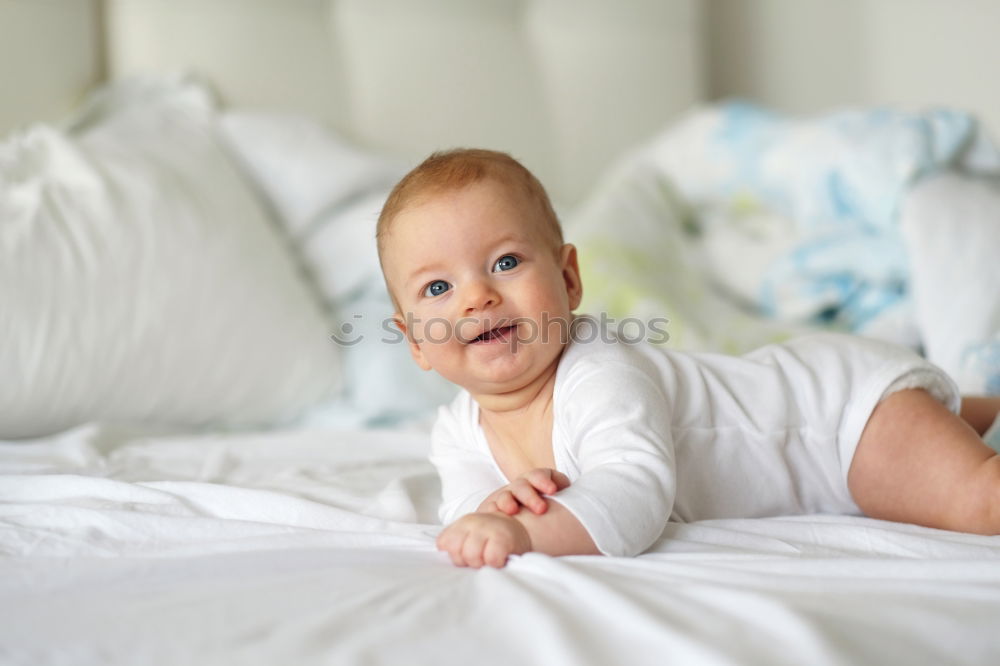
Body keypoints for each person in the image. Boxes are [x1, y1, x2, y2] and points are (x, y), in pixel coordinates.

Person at [376, 148, 1000, 569]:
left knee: (977, 502)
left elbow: (634, 498)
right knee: (949, 426)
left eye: (506, 263)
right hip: (800, 391)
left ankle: (943, 415)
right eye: (438, 289)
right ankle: (967, 409)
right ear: (414, 342)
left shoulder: (600, 373)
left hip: (838, 424)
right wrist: (492, 511)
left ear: (569, 282)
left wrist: (523, 530)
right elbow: (465, 513)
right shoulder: (457, 430)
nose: (478, 296)